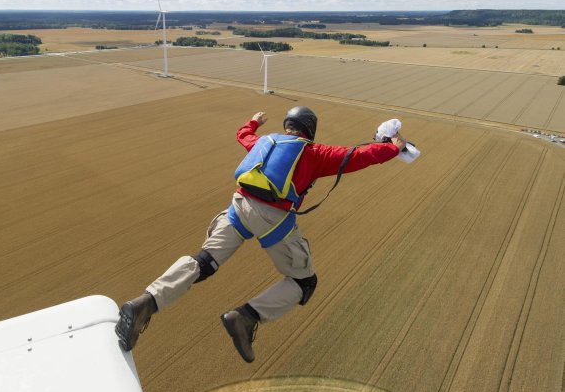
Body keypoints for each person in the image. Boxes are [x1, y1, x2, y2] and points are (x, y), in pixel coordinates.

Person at [115, 106, 406, 363]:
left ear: (287, 127)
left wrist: (253, 122)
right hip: (273, 219)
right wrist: (394, 147)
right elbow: (359, 156)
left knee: (203, 262)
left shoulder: (264, 143)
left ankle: (144, 303)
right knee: (304, 282)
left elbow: (243, 135)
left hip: (238, 207)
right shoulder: (314, 153)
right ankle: (245, 317)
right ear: (310, 130)